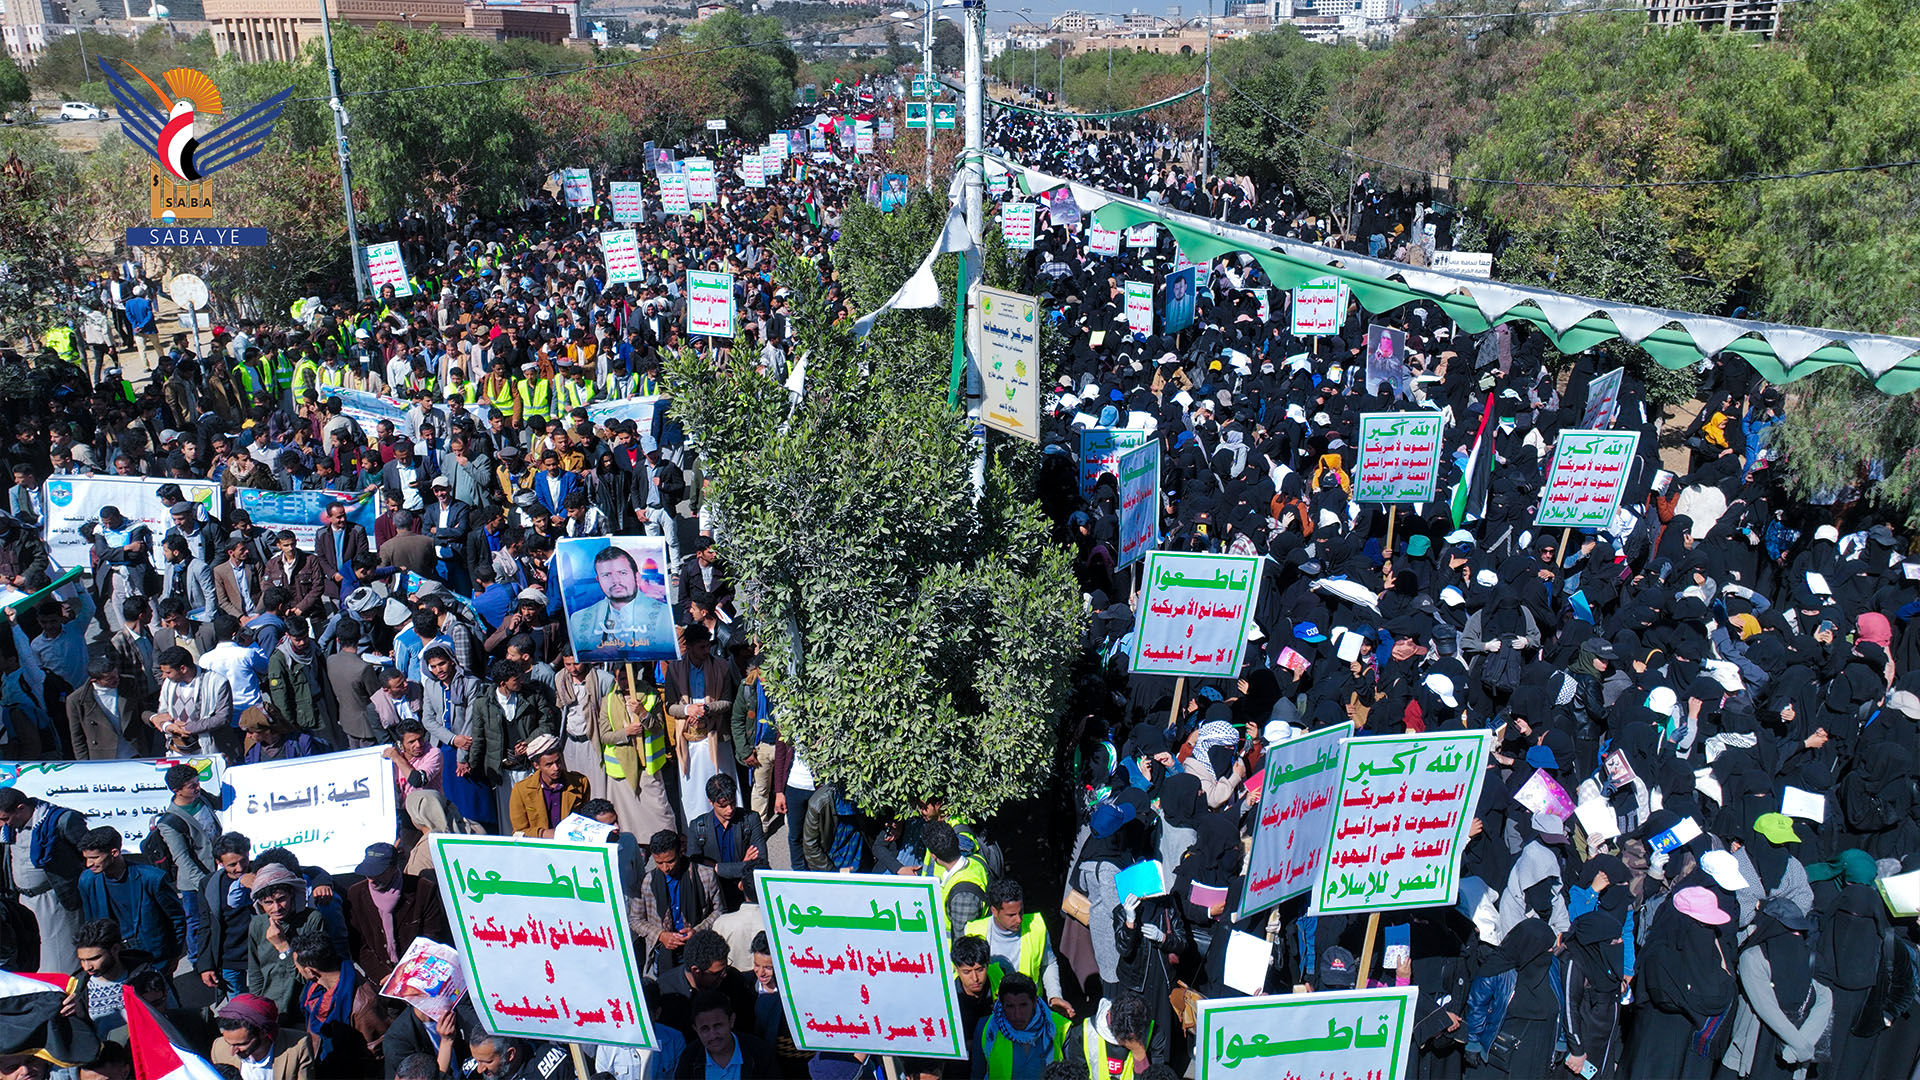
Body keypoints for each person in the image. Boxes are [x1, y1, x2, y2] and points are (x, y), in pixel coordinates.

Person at [0, 788, 89, 973]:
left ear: (20, 808)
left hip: (55, 900)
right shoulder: (10, 830)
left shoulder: (59, 820)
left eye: (4, 818)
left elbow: (89, 854)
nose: (2, 824)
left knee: (59, 960)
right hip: (23, 902)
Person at [75, 827, 184, 972]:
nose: (89, 864)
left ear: (114, 853)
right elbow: (90, 923)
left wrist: (173, 954)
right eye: (87, 858)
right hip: (113, 957)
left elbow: (176, 918)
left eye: (94, 858)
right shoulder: (87, 880)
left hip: (152, 957)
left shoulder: (152, 879)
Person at [342, 841, 449, 987]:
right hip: (383, 982)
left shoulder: (423, 889)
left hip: (420, 976)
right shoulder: (355, 895)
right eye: (368, 873)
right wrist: (384, 975)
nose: (372, 878)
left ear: (393, 868)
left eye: (378, 873)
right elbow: (358, 944)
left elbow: (432, 935)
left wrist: (407, 972)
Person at [965, 879, 1069, 1015]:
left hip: (1030, 1011)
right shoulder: (973, 931)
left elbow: (1048, 963)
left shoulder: (1037, 927)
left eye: (1021, 912)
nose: (1019, 919)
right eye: (1011, 915)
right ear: (994, 911)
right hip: (989, 1013)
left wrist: (1055, 996)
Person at [151, 762, 220, 966]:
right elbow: (182, 858)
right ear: (176, 791)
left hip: (218, 871)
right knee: (197, 921)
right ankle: (197, 960)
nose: (198, 788)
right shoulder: (169, 822)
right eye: (192, 786)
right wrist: (205, 883)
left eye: (198, 783)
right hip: (195, 883)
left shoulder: (202, 798)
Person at [291, 926, 384, 1079]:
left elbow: (375, 1057)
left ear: (310, 971)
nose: (296, 968)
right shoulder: (316, 988)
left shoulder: (363, 1005)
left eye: (297, 966)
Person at [246, 862, 329, 1022]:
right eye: (269, 903)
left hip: (305, 1007)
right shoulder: (257, 924)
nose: (276, 908)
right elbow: (255, 971)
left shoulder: (312, 920)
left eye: (281, 899)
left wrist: (283, 946)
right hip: (271, 1008)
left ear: (292, 894)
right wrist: (257, 1006)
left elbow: (310, 976)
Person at [632, 829, 722, 976]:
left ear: (681, 852)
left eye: (670, 861)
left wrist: (697, 931)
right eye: (659, 863)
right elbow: (635, 919)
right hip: (663, 953)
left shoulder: (705, 875)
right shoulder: (648, 881)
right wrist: (661, 935)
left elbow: (719, 911)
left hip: (698, 950)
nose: (665, 868)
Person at [568, 545, 674, 658]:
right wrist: (593, 655)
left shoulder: (665, 615)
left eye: (622, 573)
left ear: (637, 577)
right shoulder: (578, 619)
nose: (615, 581)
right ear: (598, 580)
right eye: (607, 575)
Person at [974, 973, 1069, 1080]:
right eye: (1010, 1006)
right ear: (1001, 1004)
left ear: (1034, 1002)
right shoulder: (986, 1028)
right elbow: (977, 1074)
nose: (1017, 1014)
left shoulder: (1061, 1026)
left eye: (1023, 1005)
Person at [210, 993, 316, 1080]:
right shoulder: (218, 1048)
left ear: (264, 1032)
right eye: (229, 1043)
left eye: (242, 1044)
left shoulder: (298, 1046)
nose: (232, 1051)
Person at [673, 990, 773, 1080]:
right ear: (695, 1029)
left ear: (731, 1021)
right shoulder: (689, 1058)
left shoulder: (759, 1052)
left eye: (717, 1026)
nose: (713, 1035)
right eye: (705, 1029)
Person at [506, 733, 590, 838]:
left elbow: (586, 823)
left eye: (558, 761)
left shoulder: (580, 783)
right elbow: (518, 832)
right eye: (549, 764)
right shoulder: (521, 790)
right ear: (536, 765)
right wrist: (545, 834)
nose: (556, 768)